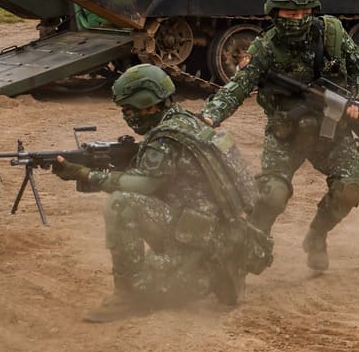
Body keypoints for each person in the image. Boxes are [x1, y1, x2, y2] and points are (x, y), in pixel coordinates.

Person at [201, 0, 359, 273]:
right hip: (286, 134)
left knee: (350, 188)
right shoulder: (264, 48)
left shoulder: (332, 33)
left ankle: (316, 236)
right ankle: (249, 250)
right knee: (271, 195)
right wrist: (211, 114)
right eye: (290, 14)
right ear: (274, 12)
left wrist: (358, 100)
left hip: (331, 128)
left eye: (305, 13)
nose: (299, 19)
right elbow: (238, 87)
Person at [52, 64, 270, 321]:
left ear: (150, 105)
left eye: (129, 109)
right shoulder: (188, 122)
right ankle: (213, 273)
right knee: (169, 276)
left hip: (199, 237)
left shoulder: (165, 140)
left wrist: (86, 174)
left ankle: (129, 298)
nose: (127, 116)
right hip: (219, 232)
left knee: (121, 204)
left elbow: (143, 185)